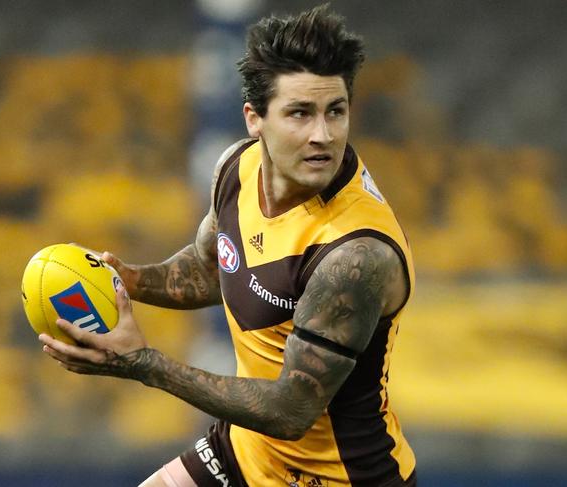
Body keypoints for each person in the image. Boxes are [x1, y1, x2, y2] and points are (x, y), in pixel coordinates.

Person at [39, 5, 417, 486]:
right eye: (299, 113)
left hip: (339, 477)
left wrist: (144, 364)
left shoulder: (355, 255)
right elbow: (210, 269)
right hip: (243, 453)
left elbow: (291, 410)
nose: (322, 135)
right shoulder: (237, 169)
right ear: (254, 119)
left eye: (335, 112)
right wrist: (123, 280)